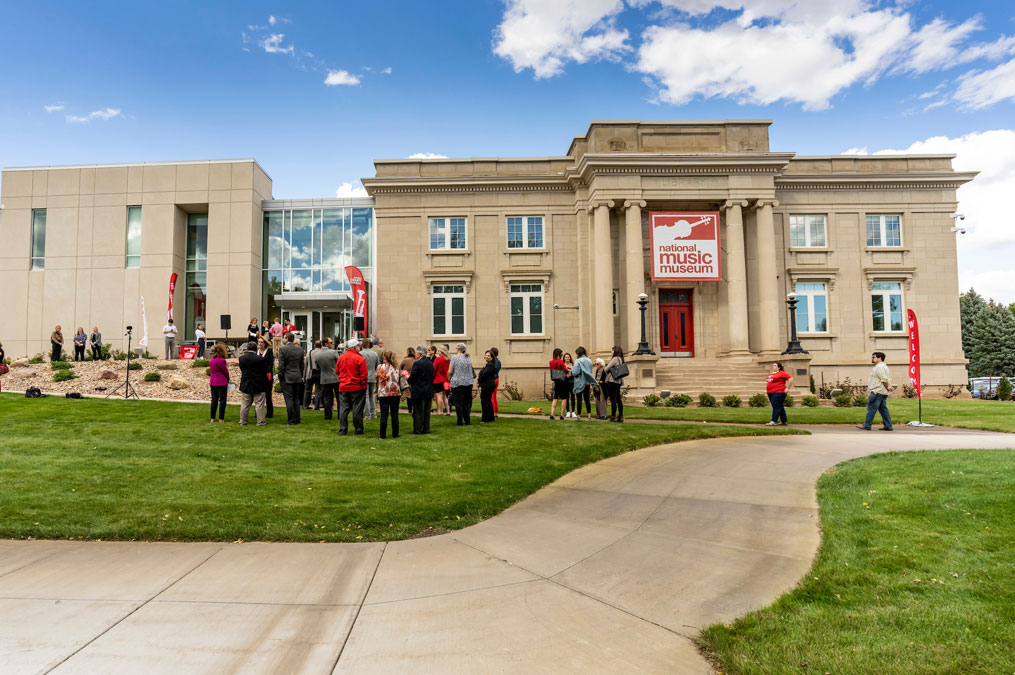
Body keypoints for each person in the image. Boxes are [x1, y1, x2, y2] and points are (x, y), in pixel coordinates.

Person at [337, 338, 368, 435]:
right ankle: (358, 429)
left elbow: (337, 371)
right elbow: (363, 375)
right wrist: (364, 386)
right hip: (357, 387)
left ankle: (343, 429)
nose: (360, 347)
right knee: (357, 409)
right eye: (358, 346)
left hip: (344, 386)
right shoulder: (360, 359)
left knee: (344, 408)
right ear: (355, 347)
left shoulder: (341, 357)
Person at [858, 351, 895, 431]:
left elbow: (884, 379)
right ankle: (888, 426)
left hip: (877, 391)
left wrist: (888, 386)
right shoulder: (883, 366)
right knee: (883, 409)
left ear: (879, 358)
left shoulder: (880, 367)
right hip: (882, 392)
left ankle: (867, 425)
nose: (872, 358)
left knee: (871, 408)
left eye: (874, 357)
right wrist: (888, 387)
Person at [238, 340, 268, 426]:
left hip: (246, 383)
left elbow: (242, 369)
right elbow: (266, 369)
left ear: (247, 348)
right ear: (256, 349)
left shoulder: (241, 358)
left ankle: (243, 421)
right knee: (259, 404)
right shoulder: (260, 359)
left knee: (245, 404)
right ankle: (260, 421)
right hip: (258, 383)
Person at [277, 332, 305, 425]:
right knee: (296, 398)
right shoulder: (300, 349)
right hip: (297, 376)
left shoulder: (283, 349)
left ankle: (291, 420)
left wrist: (280, 376)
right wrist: (301, 375)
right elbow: (302, 365)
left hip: (287, 376)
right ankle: (297, 418)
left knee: (289, 399)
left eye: (284, 338)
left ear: (287, 339)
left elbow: (281, 365)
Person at [376, 349, 402, 439]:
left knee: (384, 415)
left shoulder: (380, 367)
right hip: (395, 392)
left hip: (383, 393)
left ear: (384, 357)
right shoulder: (397, 367)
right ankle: (395, 433)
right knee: (395, 414)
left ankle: (382, 435)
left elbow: (377, 376)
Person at [447, 343, 475, 426]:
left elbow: (450, 371)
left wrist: (449, 378)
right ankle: (467, 420)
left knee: (458, 403)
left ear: (458, 349)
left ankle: (459, 421)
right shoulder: (468, 357)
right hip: (468, 382)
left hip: (457, 382)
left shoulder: (454, 358)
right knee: (466, 402)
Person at [408, 347, 434, 434]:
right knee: (426, 412)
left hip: (419, 390)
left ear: (420, 354)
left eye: (416, 353)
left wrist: (408, 378)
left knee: (418, 412)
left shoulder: (417, 363)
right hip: (428, 390)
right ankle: (426, 429)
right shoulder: (430, 363)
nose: (415, 354)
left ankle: (417, 429)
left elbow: (413, 377)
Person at [316, 337, 340, 420]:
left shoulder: (318, 354)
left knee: (327, 398)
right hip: (335, 378)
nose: (332, 344)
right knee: (339, 397)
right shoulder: (334, 352)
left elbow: (317, 367)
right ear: (326, 344)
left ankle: (327, 415)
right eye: (331, 342)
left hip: (325, 378)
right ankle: (340, 415)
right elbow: (339, 363)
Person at [571, 347, 596, 420]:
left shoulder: (577, 361)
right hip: (587, 382)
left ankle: (579, 415)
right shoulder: (589, 360)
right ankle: (589, 415)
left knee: (579, 399)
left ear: (578, 353)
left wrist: (572, 371)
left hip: (579, 382)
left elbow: (576, 372)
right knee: (587, 399)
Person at [765, 362, 793, 426]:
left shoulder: (782, 373)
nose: (773, 367)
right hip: (771, 392)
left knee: (776, 406)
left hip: (779, 392)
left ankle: (773, 421)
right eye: (773, 365)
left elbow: (790, 378)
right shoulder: (773, 374)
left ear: (779, 367)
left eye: (775, 366)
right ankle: (784, 421)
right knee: (779, 406)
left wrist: (787, 388)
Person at [208, 343, 230, 423]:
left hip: (213, 382)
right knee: (222, 401)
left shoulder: (212, 360)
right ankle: (221, 418)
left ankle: (212, 418)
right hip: (221, 382)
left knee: (214, 400)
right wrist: (228, 378)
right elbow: (225, 372)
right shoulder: (222, 361)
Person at [605, 345, 626, 423]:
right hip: (619, 381)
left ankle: (613, 416)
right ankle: (620, 416)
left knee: (612, 398)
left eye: (612, 350)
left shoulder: (615, 359)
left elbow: (607, 368)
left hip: (612, 380)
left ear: (615, 351)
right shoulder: (621, 359)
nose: (611, 352)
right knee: (618, 399)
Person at [548, 348, 569, 420]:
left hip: (556, 382)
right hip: (563, 382)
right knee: (564, 398)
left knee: (555, 397)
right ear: (558, 354)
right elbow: (565, 370)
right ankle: (562, 415)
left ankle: (552, 414)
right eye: (561, 354)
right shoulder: (560, 362)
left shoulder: (550, 362)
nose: (562, 355)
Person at [361, 338, 380, 420]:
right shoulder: (374, 354)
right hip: (372, 376)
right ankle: (373, 414)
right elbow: (378, 365)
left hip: (364, 377)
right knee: (371, 396)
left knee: (366, 396)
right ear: (369, 345)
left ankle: (368, 415)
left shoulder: (360, 354)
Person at [477, 350, 498, 423]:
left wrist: (479, 381)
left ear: (491, 358)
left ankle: (485, 419)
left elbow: (484, 375)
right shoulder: (488, 365)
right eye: (486, 355)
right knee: (488, 401)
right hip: (488, 384)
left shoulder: (490, 366)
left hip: (487, 385)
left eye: (488, 355)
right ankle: (490, 418)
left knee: (485, 401)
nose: (486, 356)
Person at [257, 336, 275, 419]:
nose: (260, 344)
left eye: (261, 342)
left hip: (267, 377)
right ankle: (258, 412)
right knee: (257, 396)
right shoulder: (256, 352)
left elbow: (270, 366)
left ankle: (269, 413)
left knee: (268, 395)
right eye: (259, 342)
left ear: (265, 343)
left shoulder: (269, 352)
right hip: (258, 377)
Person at [303, 339, 322, 410]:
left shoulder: (309, 353)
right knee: (318, 390)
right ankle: (317, 406)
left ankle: (305, 405)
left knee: (307, 390)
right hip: (319, 373)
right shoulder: (322, 353)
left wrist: (304, 376)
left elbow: (306, 365)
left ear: (314, 346)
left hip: (310, 373)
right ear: (321, 346)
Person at [432, 346, 450, 415]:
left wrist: (432, 377)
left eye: (439, 351)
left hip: (438, 379)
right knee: (445, 396)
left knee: (439, 396)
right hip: (446, 380)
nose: (438, 352)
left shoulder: (438, 359)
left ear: (442, 352)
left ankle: (440, 411)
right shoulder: (448, 359)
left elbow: (433, 369)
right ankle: (448, 411)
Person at [400, 347, 417, 414]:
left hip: (406, 378)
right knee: (414, 394)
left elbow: (401, 367)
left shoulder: (405, 360)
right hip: (414, 378)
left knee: (408, 395)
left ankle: (410, 410)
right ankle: (414, 409)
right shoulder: (416, 360)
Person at [563, 352, 577, 417]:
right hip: (565, 383)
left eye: (568, 357)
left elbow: (575, 373)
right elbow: (561, 374)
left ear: (570, 358)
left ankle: (573, 412)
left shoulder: (573, 364)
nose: (567, 358)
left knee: (573, 397)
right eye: (566, 357)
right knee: (566, 398)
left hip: (572, 383)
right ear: (564, 358)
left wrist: (571, 374)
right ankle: (568, 412)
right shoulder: (562, 365)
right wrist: (566, 376)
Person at [490, 346, 501, 416]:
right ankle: (496, 411)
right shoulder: (499, 361)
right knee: (494, 396)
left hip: (492, 379)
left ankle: (493, 411)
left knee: (491, 396)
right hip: (497, 379)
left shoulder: (493, 362)